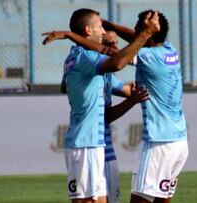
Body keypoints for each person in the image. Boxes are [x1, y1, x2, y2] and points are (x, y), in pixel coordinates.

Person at [42, 8, 160, 203]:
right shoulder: (85, 57)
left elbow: (67, 86)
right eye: (100, 28)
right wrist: (145, 34)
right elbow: (118, 63)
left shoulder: (80, 59)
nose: (104, 33)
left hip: (93, 145)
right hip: (86, 144)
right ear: (88, 30)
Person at [102, 10, 189, 203]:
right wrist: (111, 25)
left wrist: (73, 37)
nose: (134, 31)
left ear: (148, 32)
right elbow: (136, 39)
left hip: (158, 142)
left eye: (138, 27)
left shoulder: (148, 56)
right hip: (179, 142)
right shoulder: (169, 50)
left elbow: (118, 58)